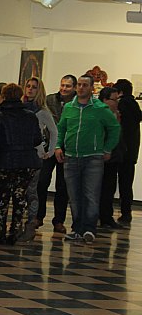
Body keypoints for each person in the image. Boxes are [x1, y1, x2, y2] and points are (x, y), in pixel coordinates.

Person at [55, 74, 120, 244]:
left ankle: (89, 228)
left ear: (92, 89)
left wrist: (107, 148)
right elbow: (61, 129)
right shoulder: (69, 107)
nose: (82, 88)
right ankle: (77, 228)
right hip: (71, 157)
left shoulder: (100, 109)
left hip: (93, 158)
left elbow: (114, 129)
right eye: (80, 85)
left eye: (85, 85)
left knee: (91, 195)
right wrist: (57, 146)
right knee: (74, 196)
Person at [0, 83, 42, 245]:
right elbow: (37, 139)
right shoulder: (30, 115)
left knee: (3, 197)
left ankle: (0, 232)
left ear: (4, 96)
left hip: (5, 159)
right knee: (20, 196)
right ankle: (15, 231)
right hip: (27, 160)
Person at [20, 77, 57, 241]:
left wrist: (49, 150)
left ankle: (30, 224)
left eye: (34, 87)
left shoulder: (42, 111)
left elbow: (54, 131)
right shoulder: (20, 108)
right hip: (20, 154)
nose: (30, 89)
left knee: (32, 191)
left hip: (35, 155)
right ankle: (18, 224)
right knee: (20, 192)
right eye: (28, 86)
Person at [38, 75, 76, 234]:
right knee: (42, 181)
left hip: (67, 148)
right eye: (62, 85)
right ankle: (38, 217)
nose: (64, 88)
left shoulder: (76, 103)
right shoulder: (50, 100)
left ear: (73, 88)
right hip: (49, 146)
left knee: (63, 186)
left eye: (68, 86)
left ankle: (59, 220)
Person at [113, 79, 142, 226]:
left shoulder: (122, 105)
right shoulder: (135, 106)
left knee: (111, 183)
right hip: (131, 153)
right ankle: (126, 213)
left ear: (120, 92)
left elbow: (119, 129)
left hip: (120, 151)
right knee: (126, 184)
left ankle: (107, 212)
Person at [98, 86, 125, 229]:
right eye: (113, 100)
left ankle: (107, 217)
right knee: (100, 188)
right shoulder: (100, 115)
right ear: (104, 100)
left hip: (114, 157)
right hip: (102, 156)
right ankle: (101, 217)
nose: (116, 103)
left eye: (117, 99)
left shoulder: (117, 114)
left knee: (109, 188)